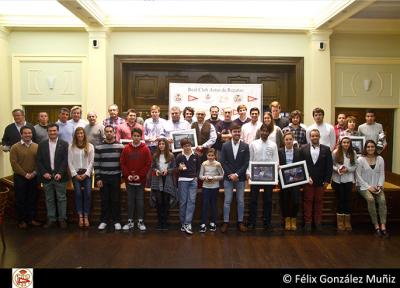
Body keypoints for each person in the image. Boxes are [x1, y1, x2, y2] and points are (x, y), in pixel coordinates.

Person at [36, 123, 69, 229]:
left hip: (61, 176)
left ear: (58, 131)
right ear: (47, 132)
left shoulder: (64, 144)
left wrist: (60, 173)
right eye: (50, 131)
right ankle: (51, 219)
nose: (52, 132)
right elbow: (39, 160)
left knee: (62, 198)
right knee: (49, 199)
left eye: (54, 130)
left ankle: (62, 219)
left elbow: (65, 160)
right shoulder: (42, 144)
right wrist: (44, 172)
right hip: (47, 176)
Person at [247, 123, 279, 231]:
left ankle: (267, 223)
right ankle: (252, 222)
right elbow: (250, 159)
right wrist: (248, 172)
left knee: (268, 200)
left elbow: (276, 161)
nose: (264, 132)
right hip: (255, 175)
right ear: (260, 131)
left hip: (269, 177)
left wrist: (275, 177)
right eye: (263, 130)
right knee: (253, 200)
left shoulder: (273, 145)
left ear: (269, 132)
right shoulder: (253, 144)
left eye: (266, 131)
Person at [300, 129, 333, 232]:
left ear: (319, 137)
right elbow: (301, 165)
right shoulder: (303, 149)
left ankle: (318, 222)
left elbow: (329, 166)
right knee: (307, 202)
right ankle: (308, 223)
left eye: (316, 136)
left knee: (319, 202)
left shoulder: (326, 149)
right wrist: (306, 177)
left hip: (321, 181)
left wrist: (327, 180)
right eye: (312, 136)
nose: (314, 137)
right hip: (308, 181)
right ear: (310, 137)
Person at [120, 128, 152, 232]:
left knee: (140, 201)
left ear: (141, 137)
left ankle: (140, 221)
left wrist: (140, 175)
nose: (136, 138)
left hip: (140, 180)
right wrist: (127, 175)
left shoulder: (145, 149)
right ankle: (130, 221)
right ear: (131, 136)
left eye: (138, 136)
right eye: (134, 136)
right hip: (129, 180)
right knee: (130, 201)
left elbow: (148, 164)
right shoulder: (126, 148)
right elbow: (122, 163)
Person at [220, 123, 249, 233]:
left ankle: (240, 222)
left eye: (238, 131)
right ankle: (226, 222)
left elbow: (246, 163)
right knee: (227, 201)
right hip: (228, 178)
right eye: (235, 131)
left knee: (240, 201)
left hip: (240, 178)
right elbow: (223, 161)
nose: (237, 133)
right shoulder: (225, 145)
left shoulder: (245, 146)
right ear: (231, 133)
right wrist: (231, 175)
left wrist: (236, 175)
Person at [10, 126, 41, 228]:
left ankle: (31, 219)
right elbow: (14, 163)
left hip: (34, 177)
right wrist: (25, 174)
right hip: (20, 177)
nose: (28, 135)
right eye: (25, 133)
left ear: (32, 134)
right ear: (21, 134)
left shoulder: (37, 146)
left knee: (32, 199)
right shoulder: (15, 147)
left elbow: (39, 162)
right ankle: (21, 220)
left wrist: (34, 173)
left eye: (29, 133)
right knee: (20, 199)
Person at [94, 125, 124, 231]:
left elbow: (122, 163)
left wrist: (122, 176)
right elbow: (96, 163)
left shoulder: (120, 147)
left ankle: (116, 221)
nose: (109, 133)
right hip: (103, 177)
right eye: (107, 131)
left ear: (114, 132)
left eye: (111, 131)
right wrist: (98, 178)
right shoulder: (98, 147)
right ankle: (104, 220)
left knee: (116, 200)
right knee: (105, 200)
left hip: (116, 176)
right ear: (104, 133)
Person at [356, 140, 388, 237]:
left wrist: (379, 186)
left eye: (372, 147)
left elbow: (382, 174)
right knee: (370, 199)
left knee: (382, 200)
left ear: (375, 148)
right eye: (368, 147)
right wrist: (368, 187)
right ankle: (376, 226)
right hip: (363, 186)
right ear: (365, 148)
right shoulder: (360, 160)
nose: (370, 148)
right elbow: (358, 176)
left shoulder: (380, 159)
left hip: (377, 186)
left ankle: (383, 225)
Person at [68, 127, 95, 228]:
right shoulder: (71, 146)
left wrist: (86, 173)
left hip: (86, 174)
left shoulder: (90, 146)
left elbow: (92, 161)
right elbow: (69, 162)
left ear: (84, 134)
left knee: (88, 194)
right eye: (78, 133)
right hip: (76, 174)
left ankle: (86, 216)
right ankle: (80, 217)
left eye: (81, 133)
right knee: (78, 194)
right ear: (75, 135)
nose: (80, 135)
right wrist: (75, 174)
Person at [331, 136, 357, 231]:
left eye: (348, 142)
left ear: (350, 144)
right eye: (344, 142)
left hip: (349, 179)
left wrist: (348, 169)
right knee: (340, 199)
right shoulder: (335, 152)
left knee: (347, 200)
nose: (346, 144)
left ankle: (347, 221)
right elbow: (331, 165)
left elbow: (355, 166)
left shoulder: (353, 153)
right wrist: (338, 169)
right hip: (337, 180)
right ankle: (340, 221)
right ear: (341, 143)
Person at [150, 138, 177, 230]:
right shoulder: (155, 155)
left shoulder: (171, 155)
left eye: (163, 144)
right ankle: (159, 222)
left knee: (166, 201)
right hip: (157, 179)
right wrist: (156, 170)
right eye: (160, 144)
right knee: (159, 201)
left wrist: (167, 170)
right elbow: (153, 167)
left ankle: (165, 222)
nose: (161, 145)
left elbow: (174, 168)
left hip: (167, 179)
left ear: (166, 145)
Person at [176, 138, 200, 235]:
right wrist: (179, 168)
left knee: (192, 201)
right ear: (182, 147)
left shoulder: (196, 156)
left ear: (191, 145)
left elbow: (198, 168)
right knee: (183, 202)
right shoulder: (179, 156)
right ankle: (183, 223)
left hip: (193, 181)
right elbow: (175, 169)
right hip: (182, 181)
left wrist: (196, 178)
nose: (187, 147)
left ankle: (188, 223)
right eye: (185, 146)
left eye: (189, 145)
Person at [278, 131, 302, 231]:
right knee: (285, 200)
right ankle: (287, 220)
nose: (288, 141)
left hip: (296, 180)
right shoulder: (279, 151)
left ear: (293, 140)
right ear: (284, 141)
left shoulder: (298, 151)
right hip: (283, 180)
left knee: (296, 201)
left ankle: (293, 218)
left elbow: (302, 164)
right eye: (286, 139)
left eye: (290, 139)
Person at [198, 148, 224, 233]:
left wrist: (214, 178)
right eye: (209, 155)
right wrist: (205, 178)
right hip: (205, 187)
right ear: (206, 156)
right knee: (205, 205)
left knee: (213, 205)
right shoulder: (204, 164)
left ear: (215, 156)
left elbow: (222, 175)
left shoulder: (218, 164)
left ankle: (213, 222)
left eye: (212, 155)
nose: (210, 157)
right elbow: (200, 176)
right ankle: (203, 223)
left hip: (215, 187)